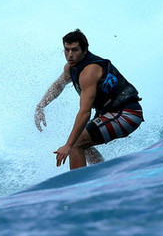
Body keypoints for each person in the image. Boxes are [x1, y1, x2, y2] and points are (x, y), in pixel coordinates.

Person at [34, 29, 143, 169]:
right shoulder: (70, 68)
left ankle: (79, 188)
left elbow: (85, 112)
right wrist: (40, 106)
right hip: (112, 113)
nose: (70, 55)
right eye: (66, 50)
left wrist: (68, 145)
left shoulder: (90, 71)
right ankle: (102, 176)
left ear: (85, 50)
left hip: (127, 114)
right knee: (81, 143)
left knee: (75, 144)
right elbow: (58, 85)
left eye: (75, 50)